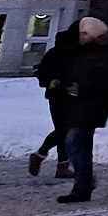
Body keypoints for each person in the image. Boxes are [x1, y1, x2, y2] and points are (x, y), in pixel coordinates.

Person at [56, 16, 108, 203]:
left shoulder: (106, 56)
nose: (80, 37)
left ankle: (84, 184)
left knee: (74, 143)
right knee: (79, 145)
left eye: (84, 34)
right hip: (82, 105)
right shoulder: (88, 53)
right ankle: (84, 183)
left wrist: (82, 88)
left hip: (92, 105)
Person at [28, 24, 81, 179]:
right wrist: (52, 81)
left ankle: (62, 165)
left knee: (66, 130)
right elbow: (42, 72)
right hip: (60, 96)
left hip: (72, 95)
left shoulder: (75, 53)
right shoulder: (60, 53)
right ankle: (41, 155)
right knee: (64, 130)